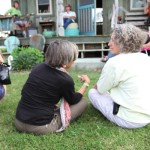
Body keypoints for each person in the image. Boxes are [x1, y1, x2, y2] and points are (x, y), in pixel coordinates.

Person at [15, 40, 90, 135]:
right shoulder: (65, 80)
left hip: (19, 121)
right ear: (64, 63)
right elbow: (73, 100)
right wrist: (86, 84)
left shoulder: (38, 67)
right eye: (73, 59)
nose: (74, 61)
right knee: (82, 102)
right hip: (41, 127)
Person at [88, 24, 150, 129]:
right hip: (147, 116)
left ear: (122, 41)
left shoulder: (114, 62)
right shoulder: (146, 58)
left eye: (112, 40)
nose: (109, 43)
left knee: (92, 93)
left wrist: (96, 86)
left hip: (128, 120)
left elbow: (100, 89)